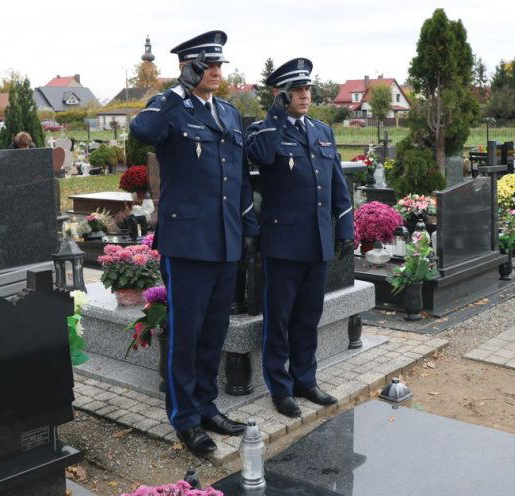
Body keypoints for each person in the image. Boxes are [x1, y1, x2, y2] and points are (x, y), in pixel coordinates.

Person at [129, 30, 259, 457]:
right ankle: (184, 418)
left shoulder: (228, 112)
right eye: (208, 65)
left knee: (213, 331)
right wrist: (175, 89)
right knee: (185, 334)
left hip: (224, 240)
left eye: (220, 65)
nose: (217, 72)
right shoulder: (171, 109)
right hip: (187, 242)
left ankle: (206, 405)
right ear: (189, 67)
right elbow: (142, 130)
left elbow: (237, 176)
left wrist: (247, 226)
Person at [245, 58, 355, 418]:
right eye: (297, 90)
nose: (305, 95)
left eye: (307, 88)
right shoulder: (265, 130)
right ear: (280, 94)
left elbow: (337, 183)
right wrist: (276, 116)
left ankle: (306, 379)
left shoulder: (322, 130)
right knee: (279, 319)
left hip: (318, 242)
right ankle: (281, 387)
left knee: (309, 316)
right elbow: (260, 158)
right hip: (284, 244)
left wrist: (345, 227)